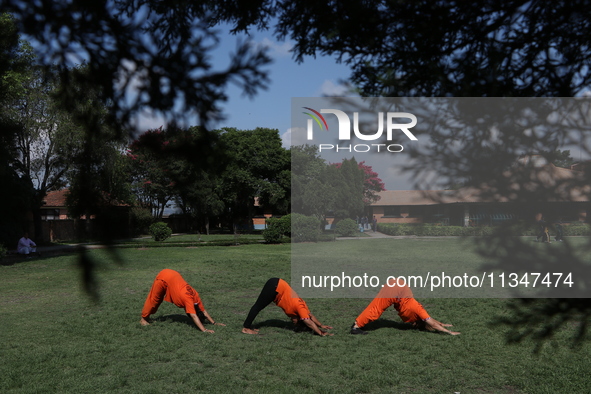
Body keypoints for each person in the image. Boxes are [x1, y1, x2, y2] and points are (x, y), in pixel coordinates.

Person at [350, 277, 460, 335]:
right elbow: (433, 324)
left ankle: (359, 323)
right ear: (419, 322)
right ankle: (356, 327)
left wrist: (443, 324)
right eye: (414, 325)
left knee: (376, 307)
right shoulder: (419, 311)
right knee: (376, 308)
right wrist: (449, 332)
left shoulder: (420, 313)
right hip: (396, 288)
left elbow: (431, 320)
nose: (412, 324)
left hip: (398, 289)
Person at [140, 269, 225, 333]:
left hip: (173, 275)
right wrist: (204, 330)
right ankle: (143, 319)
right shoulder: (188, 300)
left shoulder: (196, 296)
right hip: (164, 277)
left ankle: (148, 318)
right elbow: (194, 316)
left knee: (157, 300)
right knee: (155, 299)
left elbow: (203, 311)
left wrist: (214, 323)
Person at [242, 278, 333, 336]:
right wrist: (321, 333)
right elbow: (308, 321)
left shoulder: (303, 309)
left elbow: (311, 316)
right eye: (295, 322)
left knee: (258, 307)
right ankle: (246, 328)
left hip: (277, 286)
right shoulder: (300, 308)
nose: (292, 321)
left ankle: (249, 327)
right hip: (276, 287)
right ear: (300, 318)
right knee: (258, 306)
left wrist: (321, 325)